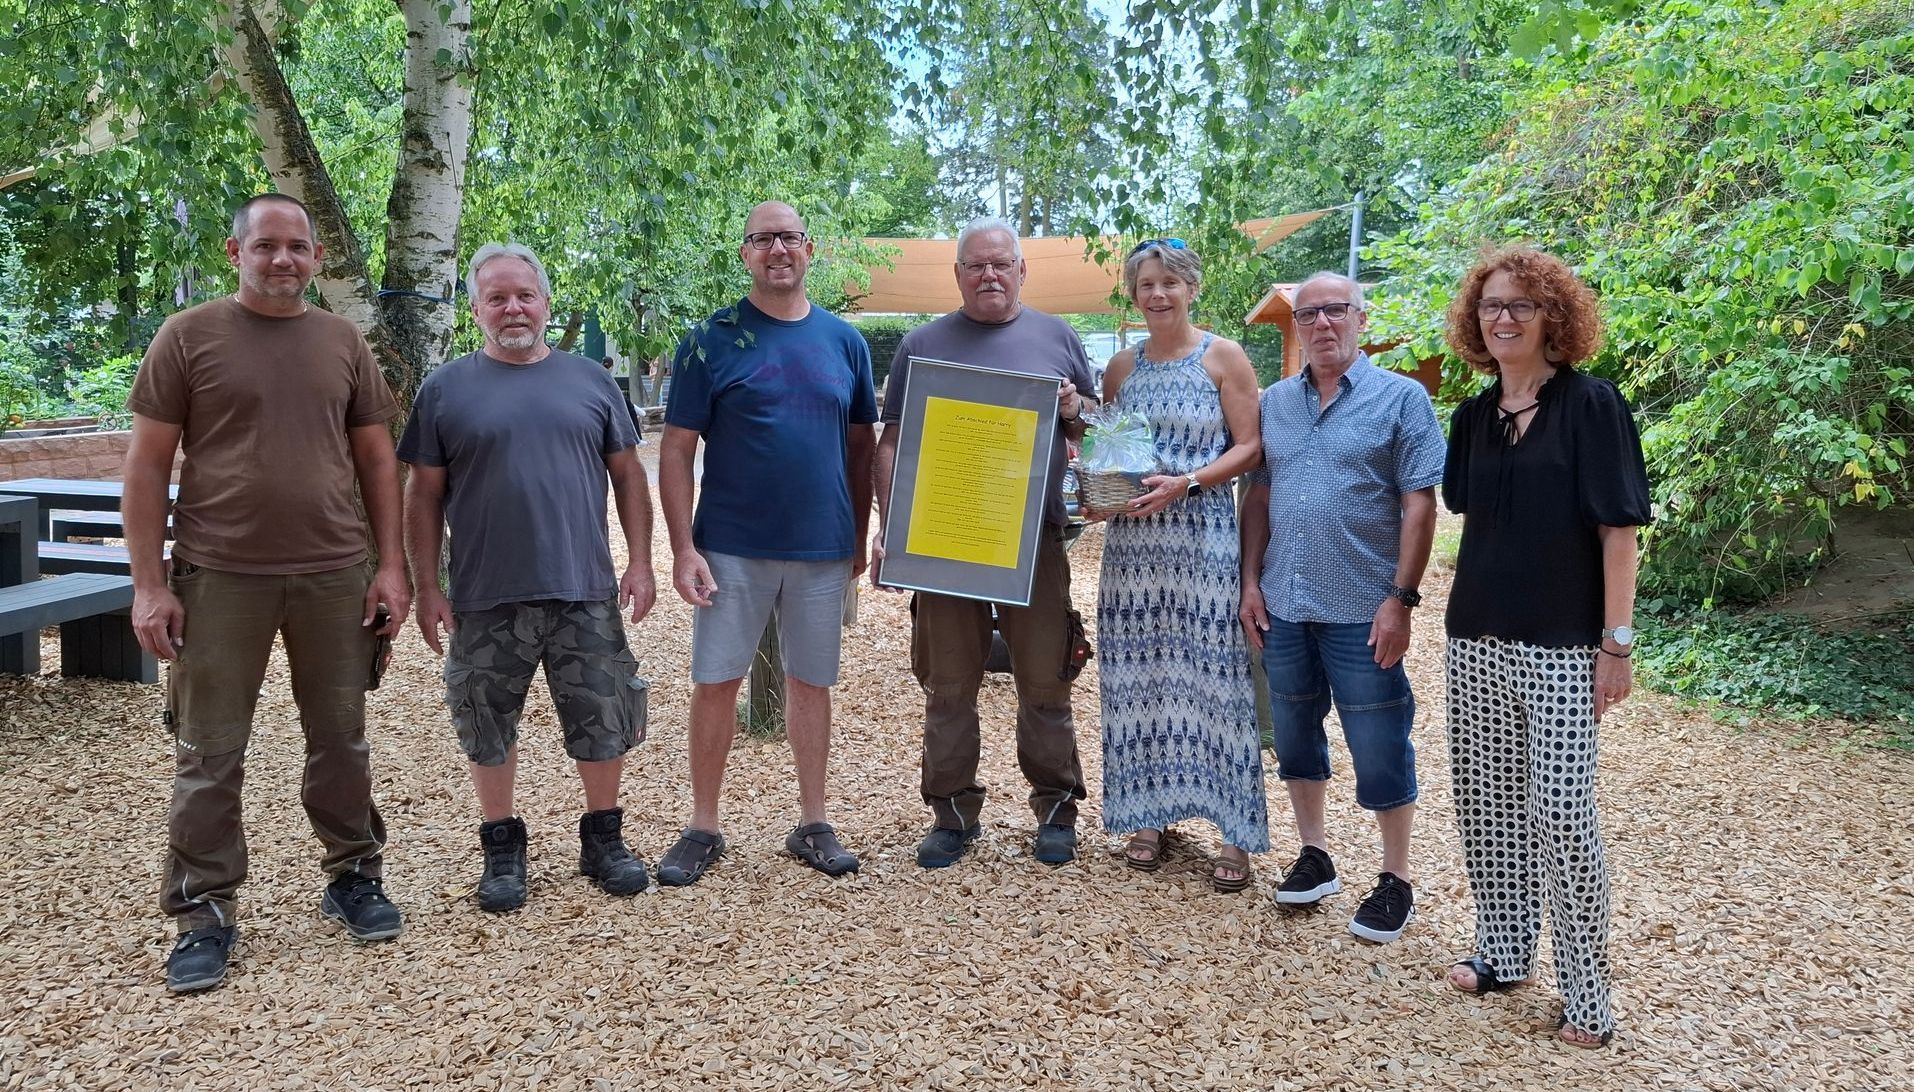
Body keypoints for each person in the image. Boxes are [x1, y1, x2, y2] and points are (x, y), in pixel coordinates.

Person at [123, 193, 411, 993]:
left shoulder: (341, 341)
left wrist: (391, 566)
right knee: (209, 750)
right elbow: (147, 464)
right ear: (235, 252)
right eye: (266, 246)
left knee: (341, 739)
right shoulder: (188, 336)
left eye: (297, 247)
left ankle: (353, 875)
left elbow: (377, 460)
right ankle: (204, 910)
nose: (283, 259)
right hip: (218, 576)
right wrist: (148, 585)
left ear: (316, 257)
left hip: (333, 573)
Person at [400, 242, 656, 913]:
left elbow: (629, 476)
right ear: (476, 310)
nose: (512, 309)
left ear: (545, 302)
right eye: (497, 298)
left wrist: (640, 561)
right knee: (485, 722)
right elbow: (422, 495)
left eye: (524, 296)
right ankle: (502, 848)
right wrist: (427, 587)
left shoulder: (592, 382)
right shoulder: (445, 389)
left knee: (603, 714)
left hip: (583, 588)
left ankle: (604, 840)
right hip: (485, 593)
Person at [1438, 245, 1649, 1049]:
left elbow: (1619, 530)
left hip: (1562, 646)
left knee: (1562, 812)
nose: (1504, 318)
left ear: (1552, 316)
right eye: (1491, 304)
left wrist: (1615, 644)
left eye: (1521, 304)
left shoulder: (1591, 405)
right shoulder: (1472, 417)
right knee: (1488, 805)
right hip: (1475, 638)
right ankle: (1503, 949)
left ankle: (1589, 992)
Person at [655, 201, 878, 884]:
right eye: (762, 239)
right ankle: (703, 825)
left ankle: (813, 822)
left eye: (788, 237)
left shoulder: (845, 342)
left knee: (812, 682)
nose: (777, 250)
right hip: (731, 545)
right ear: (745, 253)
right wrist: (683, 548)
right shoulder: (710, 340)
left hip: (821, 546)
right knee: (716, 680)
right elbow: (676, 448)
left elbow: (861, 447)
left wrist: (859, 535)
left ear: (810, 248)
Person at [872, 216, 1096, 869]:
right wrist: (892, 528)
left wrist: (1074, 409)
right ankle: (951, 813)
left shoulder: (1057, 337)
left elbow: (1095, 429)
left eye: (1001, 264)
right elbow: (891, 443)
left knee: (1046, 678)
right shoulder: (922, 345)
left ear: (1022, 270)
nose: (989, 275)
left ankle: (1056, 807)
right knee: (948, 684)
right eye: (976, 265)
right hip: (945, 539)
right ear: (958, 274)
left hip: (1035, 540)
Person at [1240, 271, 1444, 942]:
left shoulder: (1402, 398)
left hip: (1364, 606)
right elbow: (1259, 496)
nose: (1322, 323)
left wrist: (1401, 600)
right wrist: (1249, 582)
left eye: (1336, 310)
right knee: (1295, 735)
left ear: (1361, 318)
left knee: (1379, 740)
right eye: (1310, 314)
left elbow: (1420, 505)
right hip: (1285, 603)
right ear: (1298, 326)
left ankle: (1396, 877)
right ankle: (1315, 854)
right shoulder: (1275, 402)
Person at [1086, 239, 1267, 891]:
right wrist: (1099, 491)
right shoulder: (1119, 368)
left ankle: (1235, 830)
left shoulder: (1223, 356)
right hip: (1134, 552)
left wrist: (1187, 482)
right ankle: (1148, 815)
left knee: (1215, 681)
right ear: (1133, 295)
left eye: (1169, 282)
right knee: (1141, 678)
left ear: (1191, 288)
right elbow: (1112, 457)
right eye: (1146, 284)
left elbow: (1251, 447)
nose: (1158, 294)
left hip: (1202, 541)